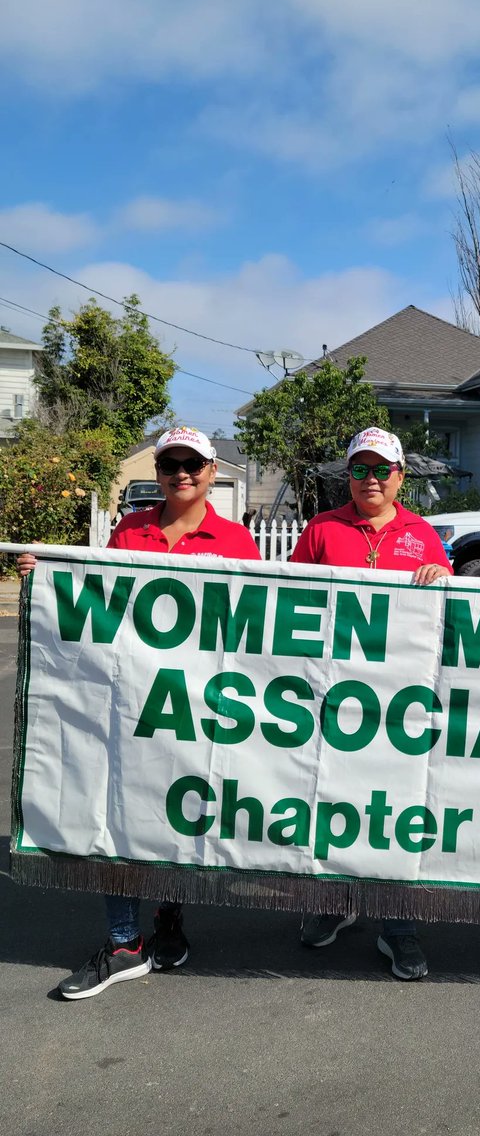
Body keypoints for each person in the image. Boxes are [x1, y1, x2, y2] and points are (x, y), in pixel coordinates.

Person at [18, 427, 261, 999]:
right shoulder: (131, 530)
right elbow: (93, 595)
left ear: (211, 471)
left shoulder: (235, 540)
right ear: (158, 471)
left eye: (193, 464)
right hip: (128, 701)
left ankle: (168, 920)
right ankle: (124, 943)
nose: (182, 474)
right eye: (170, 464)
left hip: (199, 708)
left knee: (177, 812)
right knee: (119, 810)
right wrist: (44, 577)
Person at [289, 426, 452, 980]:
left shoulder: (421, 533)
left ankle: (398, 926)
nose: (370, 480)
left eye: (382, 470)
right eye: (359, 469)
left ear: (400, 476)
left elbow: (449, 614)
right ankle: (334, 904)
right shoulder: (321, 528)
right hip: (332, 699)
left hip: (398, 705)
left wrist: (440, 577)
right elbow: (285, 600)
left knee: (394, 809)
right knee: (331, 800)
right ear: (348, 476)